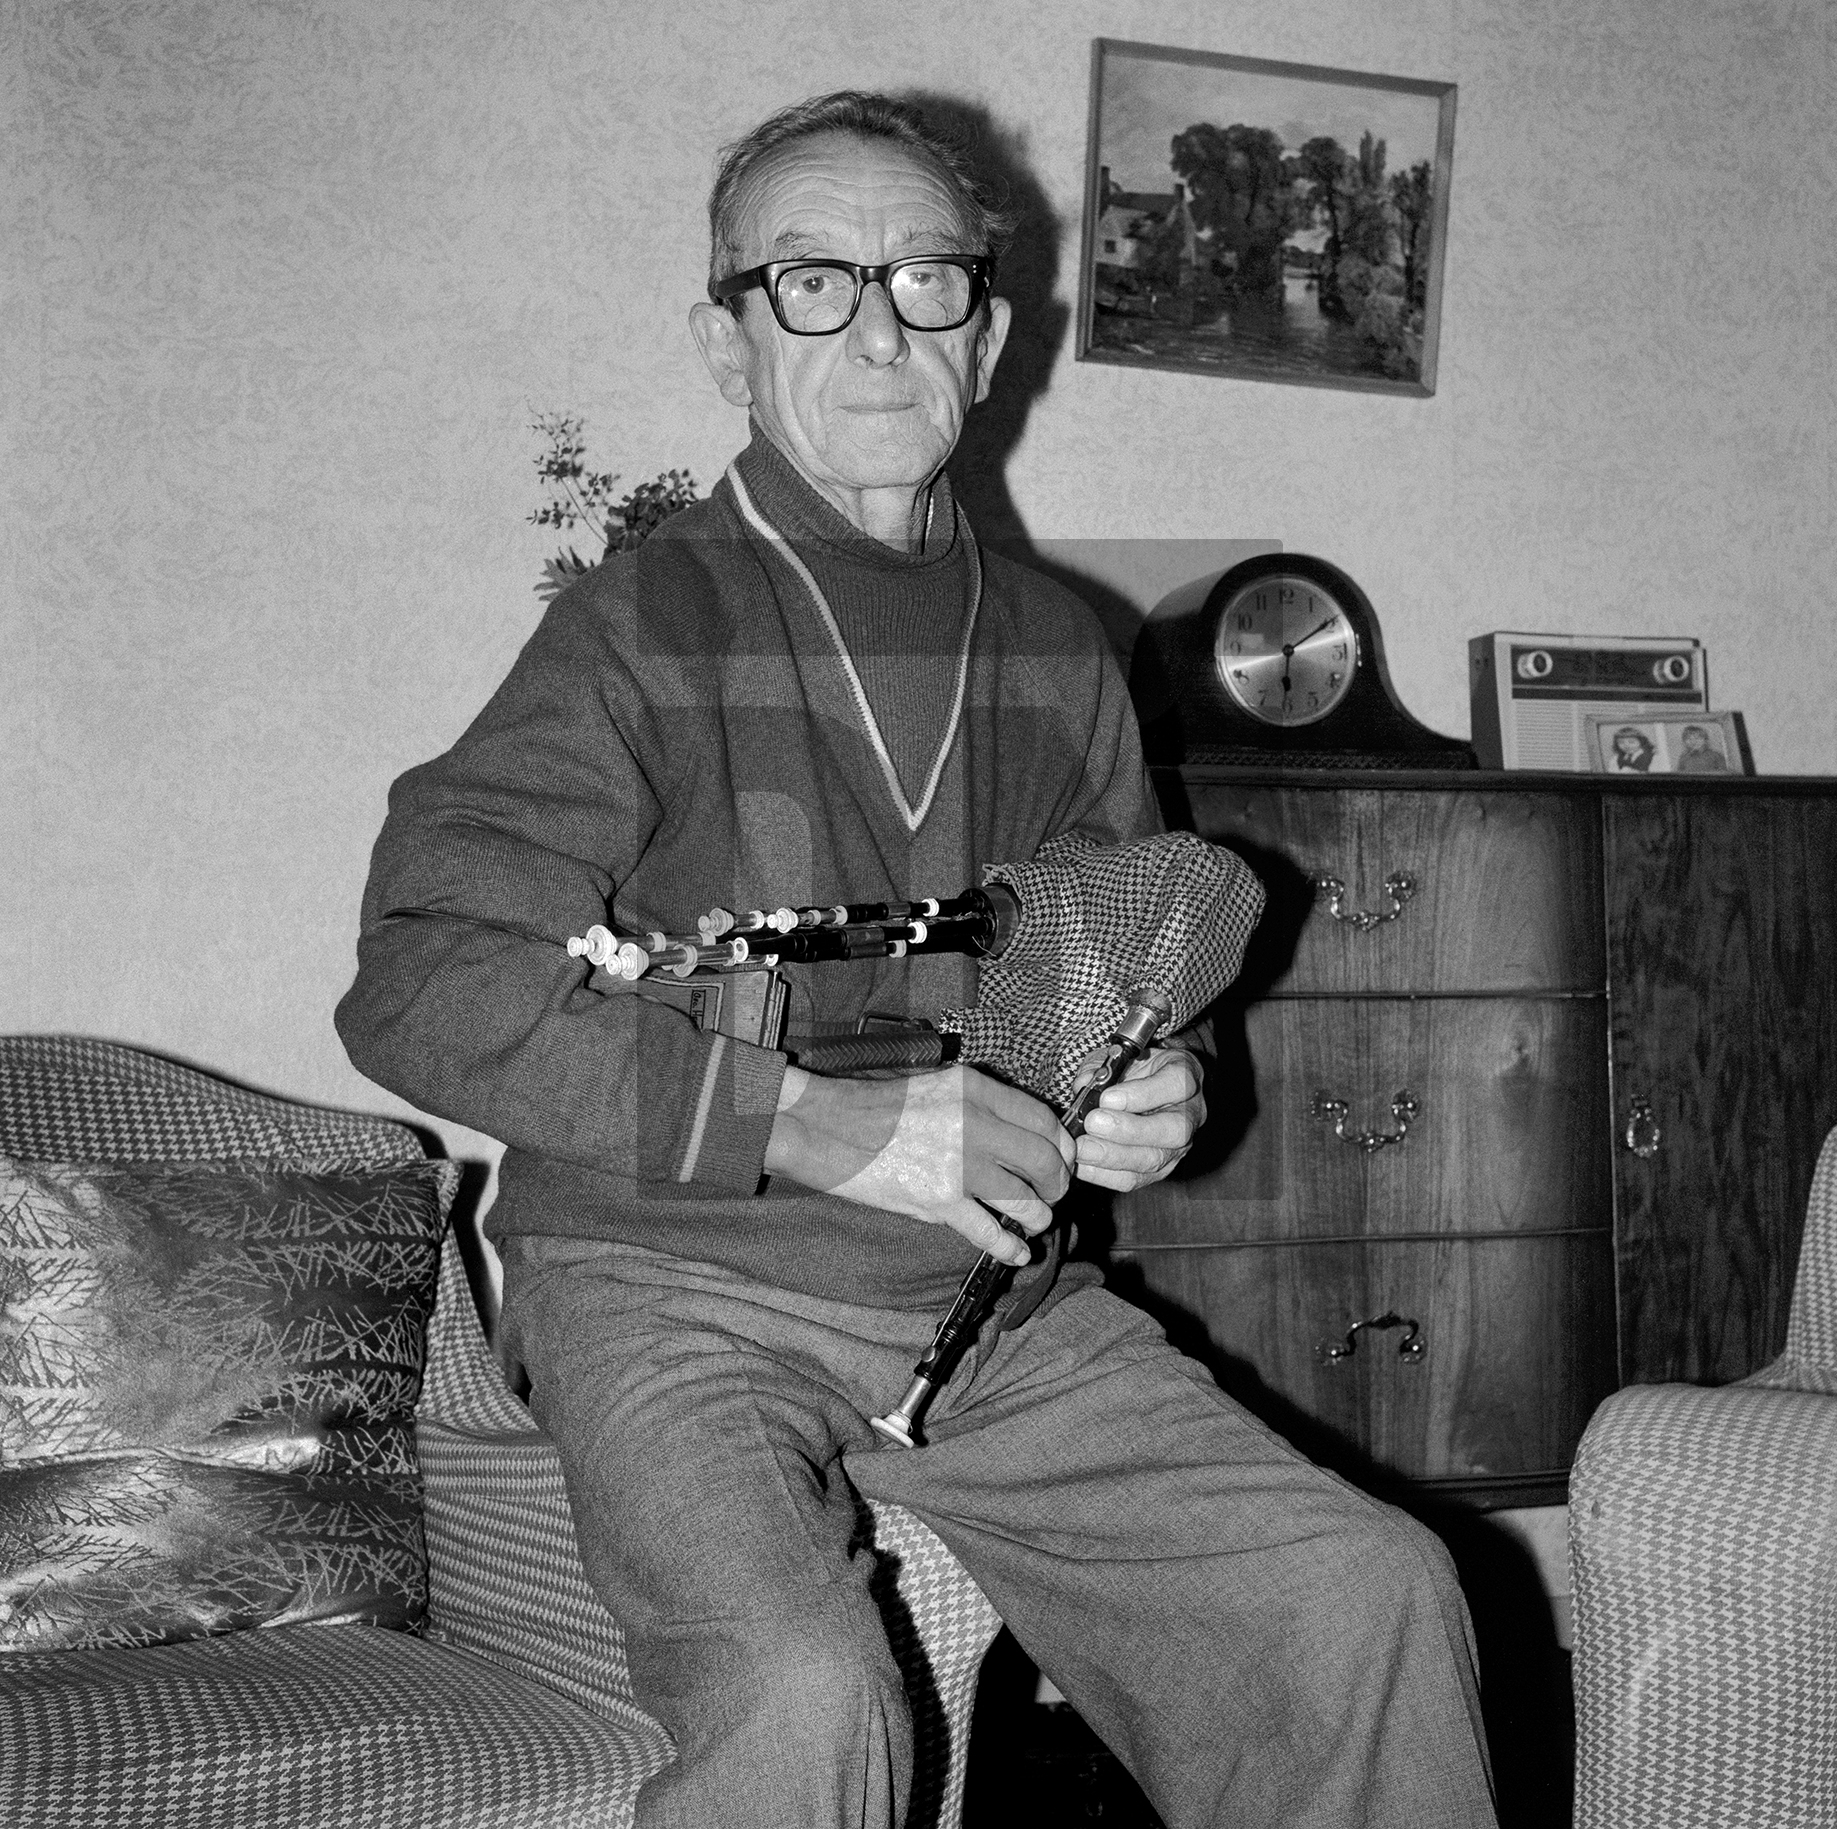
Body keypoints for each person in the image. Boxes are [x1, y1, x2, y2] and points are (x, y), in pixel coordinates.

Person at [337, 91, 1495, 1829]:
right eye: (809, 280)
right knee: (806, 1699)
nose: (876, 328)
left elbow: (1124, 956)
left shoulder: (1060, 641)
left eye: (924, 279)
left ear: (991, 332)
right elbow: (417, 975)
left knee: (1364, 1596)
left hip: (997, 1308)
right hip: (676, 1292)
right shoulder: (634, 630)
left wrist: (1159, 1096)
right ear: (727, 341)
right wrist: (799, 1124)